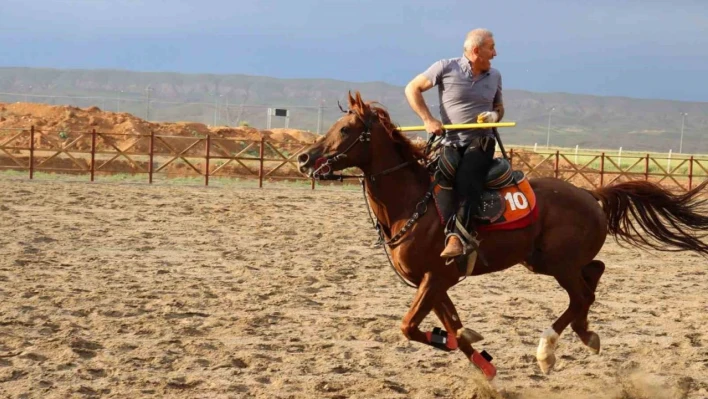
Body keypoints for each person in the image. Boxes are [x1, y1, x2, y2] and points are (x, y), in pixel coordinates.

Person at [404, 28, 504, 259]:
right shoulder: (445, 67)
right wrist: (428, 120)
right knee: (442, 178)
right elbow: (412, 88)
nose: (495, 53)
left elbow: (499, 107)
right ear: (476, 50)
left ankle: (457, 237)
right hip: (450, 139)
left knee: (467, 178)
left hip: (481, 140)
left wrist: (494, 116)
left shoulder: (495, 76)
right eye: (492, 48)